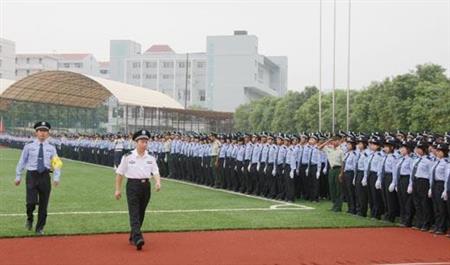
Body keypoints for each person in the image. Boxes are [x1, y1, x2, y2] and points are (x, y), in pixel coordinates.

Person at [114, 129, 162, 251]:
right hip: (132, 186)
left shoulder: (150, 158)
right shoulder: (127, 157)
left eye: (146, 142)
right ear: (136, 142)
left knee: (141, 212)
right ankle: (137, 237)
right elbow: (120, 174)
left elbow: (155, 171)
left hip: (146, 186)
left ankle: (132, 236)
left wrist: (157, 182)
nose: (144, 144)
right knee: (134, 212)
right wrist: (117, 190)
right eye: (142, 141)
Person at [15, 121, 62, 235]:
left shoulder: (51, 148)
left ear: (48, 133)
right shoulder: (29, 145)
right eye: (40, 131)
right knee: (31, 202)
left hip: (45, 176)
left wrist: (56, 177)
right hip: (32, 175)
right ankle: (29, 218)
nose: (43, 133)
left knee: (43, 204)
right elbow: (22, 161)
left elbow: (56, 163)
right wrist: (18, 176)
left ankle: (40, 228)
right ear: (36, 132)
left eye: (45, 131)